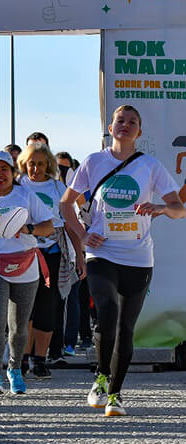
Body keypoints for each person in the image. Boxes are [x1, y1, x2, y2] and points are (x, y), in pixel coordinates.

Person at [61, 105, 185, 417]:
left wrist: (159, 208)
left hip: (139, 256)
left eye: (132, 122)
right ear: (111, 126)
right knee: (107, 311)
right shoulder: (94, 162)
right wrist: (84, 235)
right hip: (102, 253)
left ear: (139, 132)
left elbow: (179, 208)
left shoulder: (150, 166)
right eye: (120, 120)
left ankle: (115, 394)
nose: (125, 125)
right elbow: (66, 205)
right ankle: (100, 378)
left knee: (126, 327)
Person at [0, 150, 55, 396]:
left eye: (4, 169)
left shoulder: (26, 195)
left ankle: (15, 369)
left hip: (25, 266)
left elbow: (48, 227)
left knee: (19, 326)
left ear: (13, 173)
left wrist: (29, 227)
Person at [17, 143, 78, 379]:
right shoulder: (19, 185)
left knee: (48, 309)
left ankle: (39, 360)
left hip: (53, 252)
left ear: (48, 165)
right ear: (24, 163)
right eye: (32, 163)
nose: (36, 168)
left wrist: (79, 255)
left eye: (41, 163)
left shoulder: (57, 186)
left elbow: (70, 223)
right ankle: (21, 358)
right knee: (25, 309)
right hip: (25, 253)